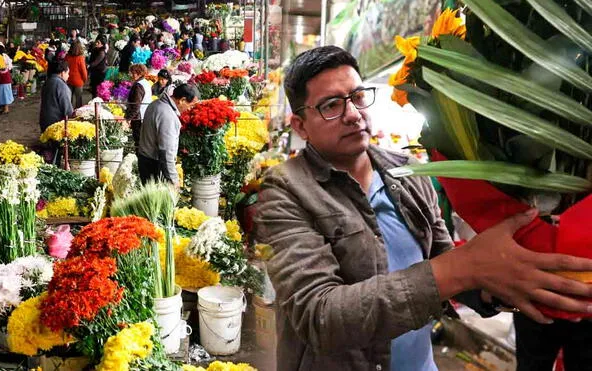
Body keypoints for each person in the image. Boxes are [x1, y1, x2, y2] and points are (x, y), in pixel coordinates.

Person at [254, 46, 592, 371]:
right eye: (331, 105)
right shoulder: (285, 190)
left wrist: (500, 284)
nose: (353, 114)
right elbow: (319, 317)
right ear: (299, 125)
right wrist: (465, 265)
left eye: (357, 97)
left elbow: (442, 258)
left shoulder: (408, 172)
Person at [138, 83, 199, 185]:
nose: (190, 109)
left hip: (145, 160)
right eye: (191, 105)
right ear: (182, 100)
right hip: (155, 165)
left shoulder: (156, 104)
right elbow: (166, 152)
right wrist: (173, 180)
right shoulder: (167, 115)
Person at [39, 60, 73, 132]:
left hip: (44, 121)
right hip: (56, 123)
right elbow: (67, 110)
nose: (68, 76)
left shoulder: (48, 82)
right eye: (68, 73)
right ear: (62, 73)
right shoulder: (61, 86)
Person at [125, 64, 152, 146]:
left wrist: (128, 118)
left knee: (138, 141)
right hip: (145, 116)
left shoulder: (138, 86)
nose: (132, 75)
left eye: (134, 73)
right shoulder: (145, 83)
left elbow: (136, 106)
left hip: (138, 119)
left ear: (140, 73)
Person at [65, 42, 88, 108]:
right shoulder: (80, 58)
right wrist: (85, 80)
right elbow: (83, 71)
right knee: (78, 99)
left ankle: (69, 113)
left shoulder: (67, 56)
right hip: (78, 81)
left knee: (69, 99)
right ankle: (77, 115)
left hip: (68, 79)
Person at [0, 44, 14, 115]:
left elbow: (1, 67)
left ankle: (6, 109)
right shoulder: (6, 56)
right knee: (4, 93)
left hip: (3, 78)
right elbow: (9, 66)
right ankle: (4, 108)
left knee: (4, 93)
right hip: (6, 77)